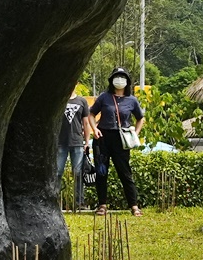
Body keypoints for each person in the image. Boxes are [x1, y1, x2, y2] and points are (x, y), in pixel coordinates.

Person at [90, 67, 145, 216]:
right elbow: (91, 113)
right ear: (111, 80)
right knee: (101, 172)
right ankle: (102, 205)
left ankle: (134, 206)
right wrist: (94, 129)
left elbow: (140, 118)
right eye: (116, 77)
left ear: (127, 81)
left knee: (125, 172)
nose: (119, 80)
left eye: (122, 77)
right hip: (102, 138)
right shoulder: (104, 97)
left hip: (121, 139)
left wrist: (135, 134)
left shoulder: (132, 100)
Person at [57, 84, 95, 211]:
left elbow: (86, 122)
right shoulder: (59, 99)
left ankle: (79, 202)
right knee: (57, 172)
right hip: (60, 142)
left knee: (78, 173)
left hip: (77, 142)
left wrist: (87, 141)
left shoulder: (82, 101)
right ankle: (54, 200)